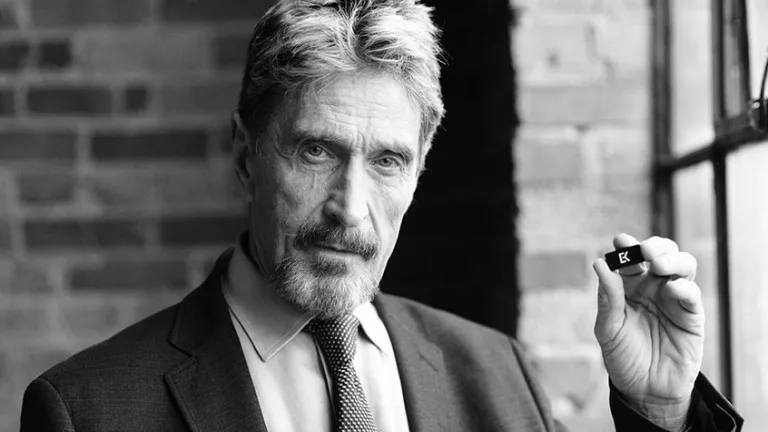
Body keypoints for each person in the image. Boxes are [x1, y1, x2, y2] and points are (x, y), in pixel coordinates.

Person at [20, 1, 742, 431]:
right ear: (246, 155)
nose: (350, 209)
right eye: (315, 151)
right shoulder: (87, 410)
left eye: (388, 161)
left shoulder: (498, 373)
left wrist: (660, 414)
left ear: (419, 170)